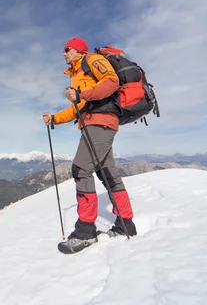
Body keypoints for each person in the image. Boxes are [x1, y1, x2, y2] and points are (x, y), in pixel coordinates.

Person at [43, 37, 137, 253]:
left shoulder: (92, 60)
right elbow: (79, 107)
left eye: (67, 49)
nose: (64, 54)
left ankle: (86, 232)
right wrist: (55, 118)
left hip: (100, 122)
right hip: (95, 123)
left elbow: (112, 81)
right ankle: (126, 225)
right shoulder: (77, 74)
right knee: (107, 174)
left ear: (78, 50)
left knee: (81, 169)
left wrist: (81, 94)